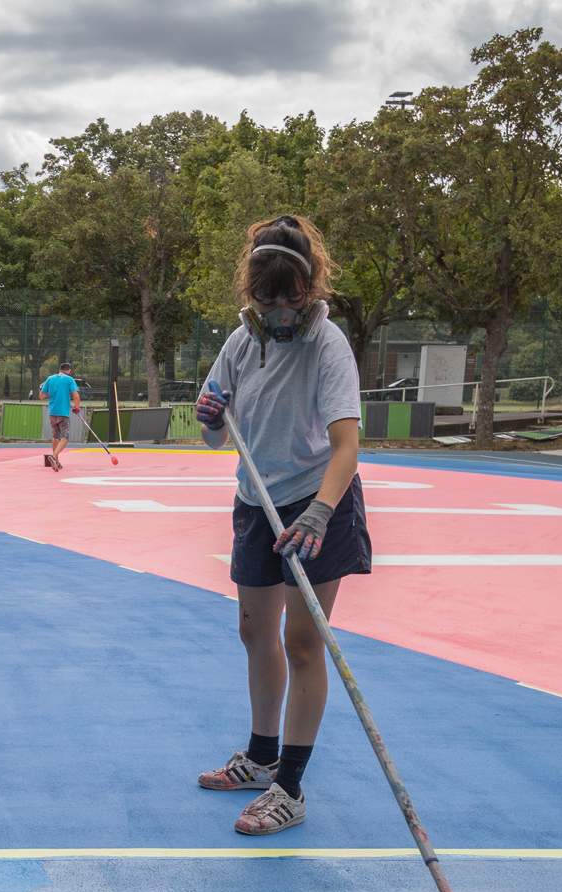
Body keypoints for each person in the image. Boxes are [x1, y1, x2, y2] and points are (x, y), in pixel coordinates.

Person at [194, 215, 370, 835]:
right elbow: (217, 439)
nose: (279, 313)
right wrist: (211, 415)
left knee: (302, 642)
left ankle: (289, 787)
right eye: (266, 301)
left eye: (289, 300)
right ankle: (261, 755)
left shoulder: (328, 345)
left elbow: (346, 446)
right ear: (251, 294)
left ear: (309, 288)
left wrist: (320, 512)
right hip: (255, 501)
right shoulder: (241, 343)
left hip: (316, 503)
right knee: (254, 633)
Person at [39, 362, 81, 470]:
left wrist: (51, 392)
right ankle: (53, 456)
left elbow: (41, 396)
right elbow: (76, 395)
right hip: (63, 413)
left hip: (52, 412)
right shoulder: (69, 379)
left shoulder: (50, 379)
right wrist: (77, 408)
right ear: (69, 371)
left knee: (55, 437)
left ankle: (56, 462)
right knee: (65, 437)